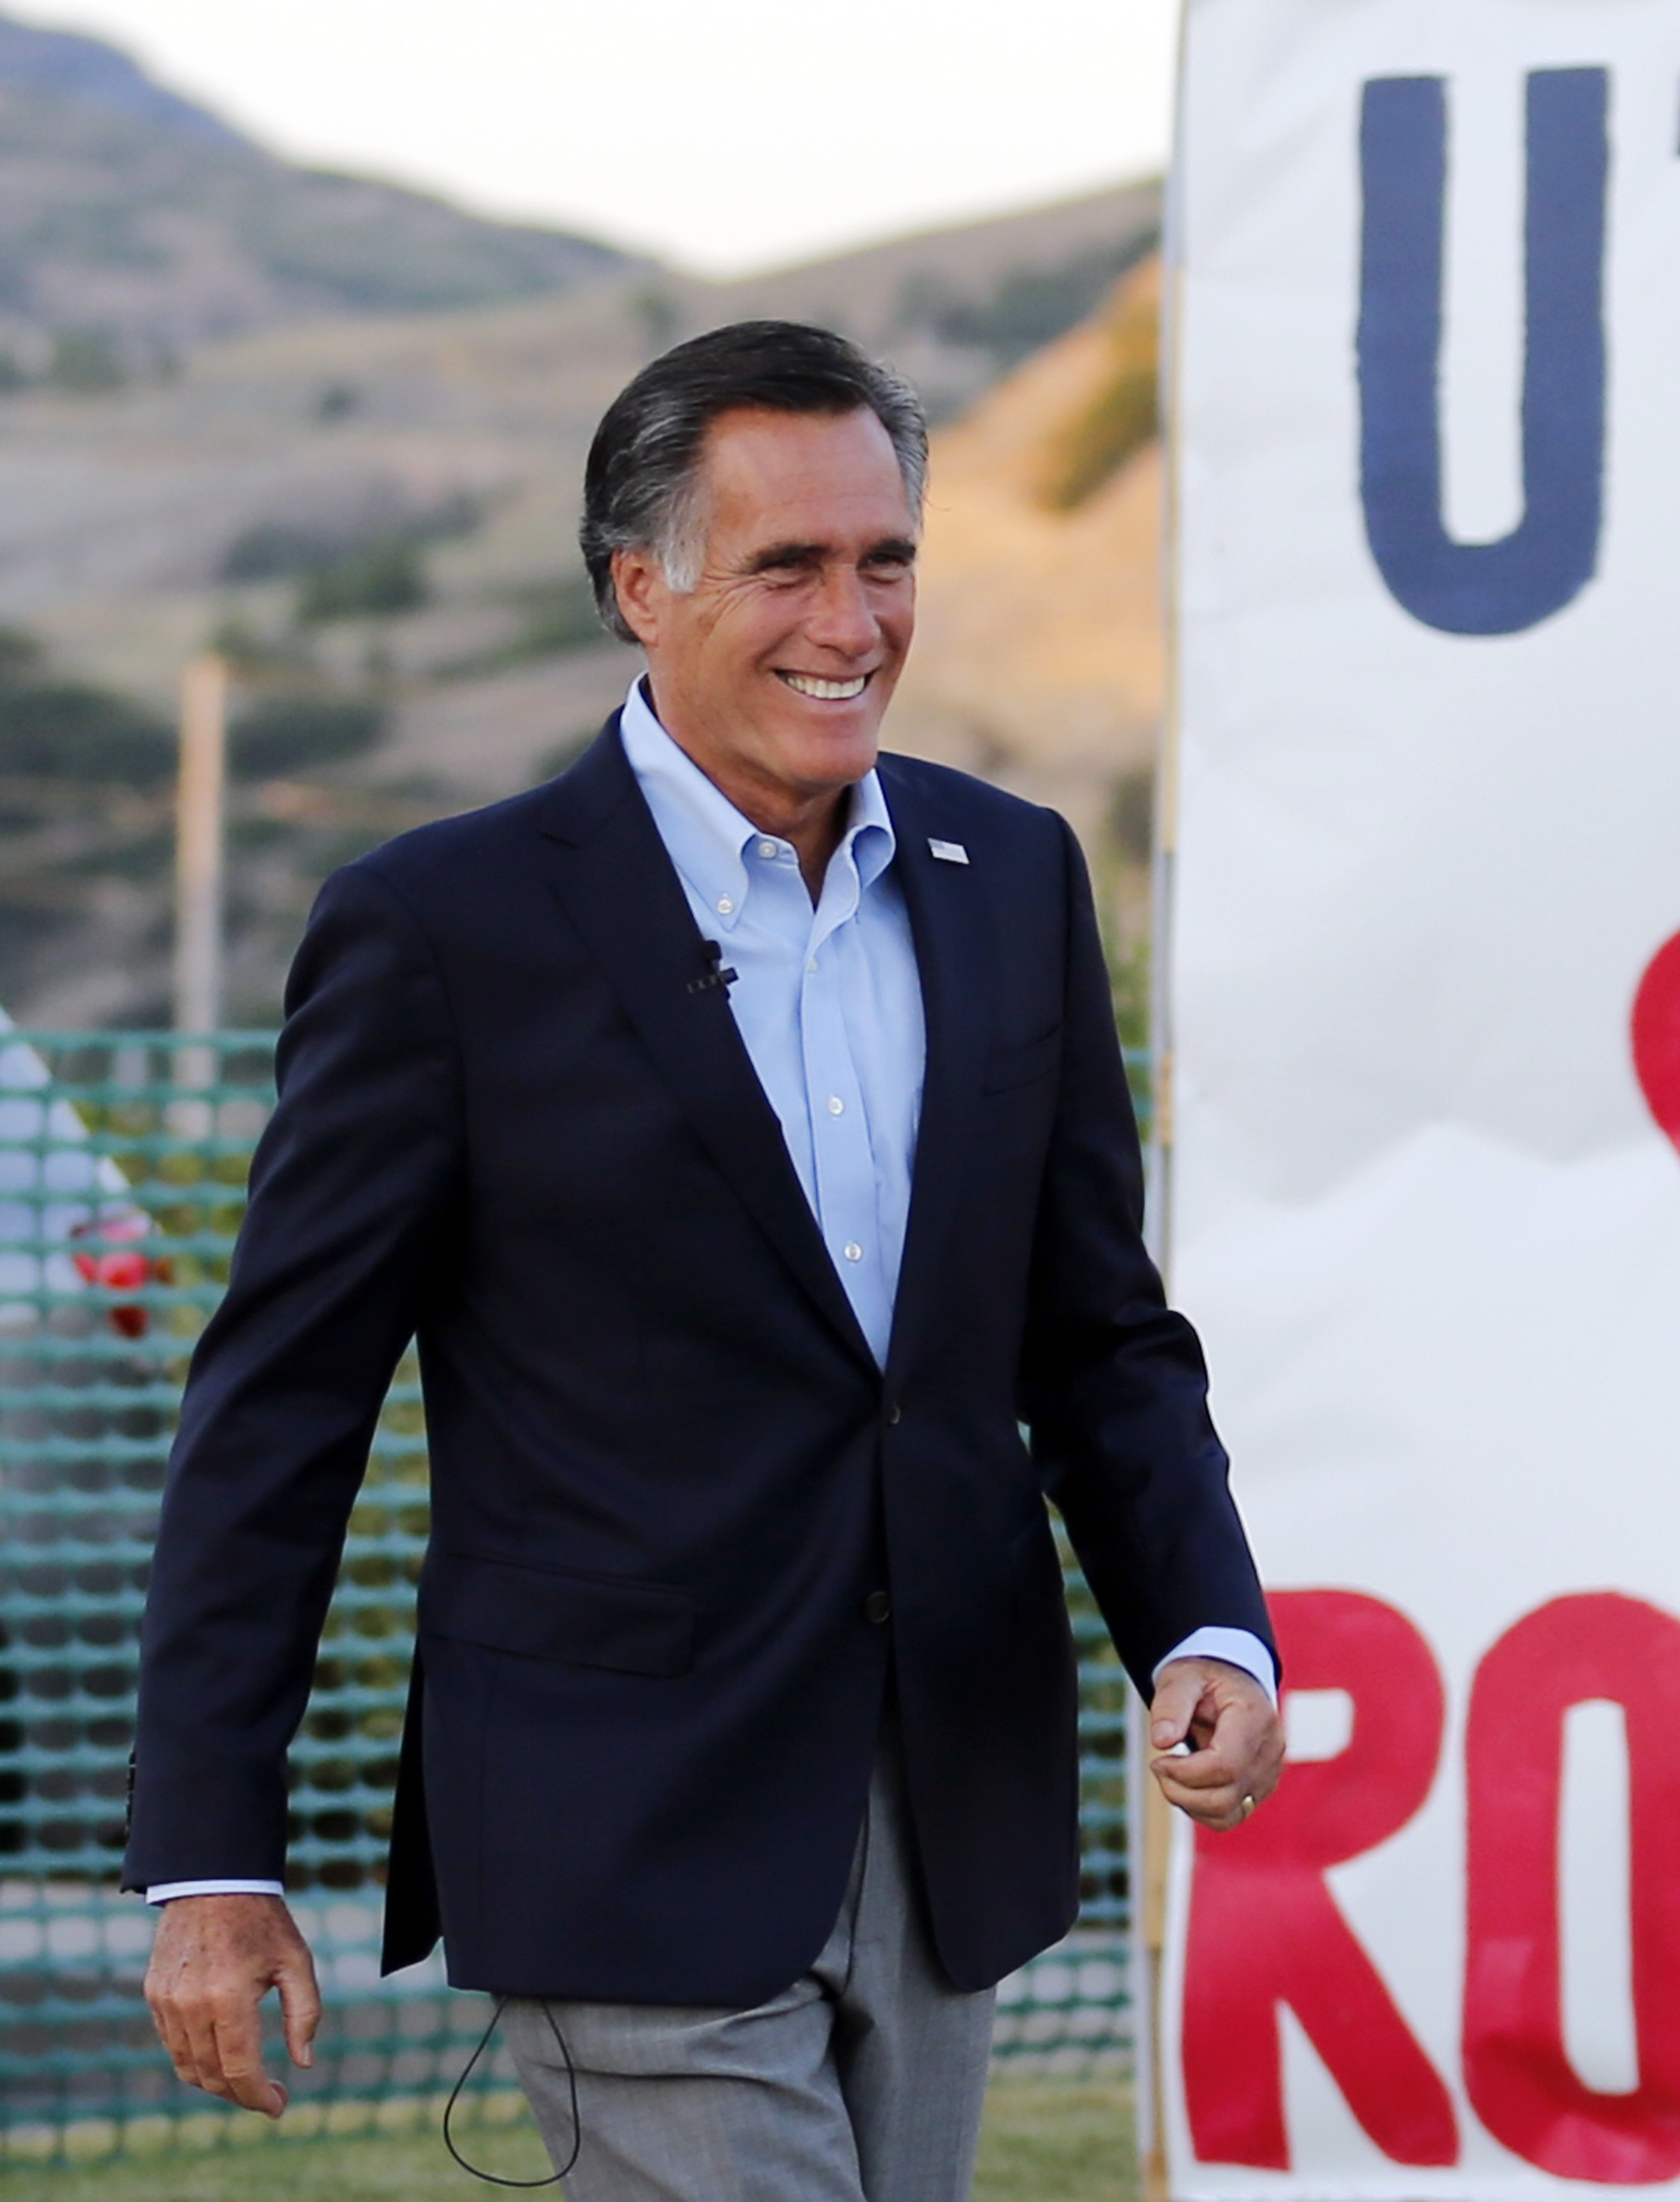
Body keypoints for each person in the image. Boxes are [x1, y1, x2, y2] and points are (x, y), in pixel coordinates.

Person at [120, 320, 1281, 2202]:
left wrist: (1203, 1624)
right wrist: (211, 1858)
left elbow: (1099, 1340)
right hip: (620, 1823)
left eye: (887, 557)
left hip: (949, 1816)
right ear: (639, 588)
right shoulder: (439, 931)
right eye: (790, 566)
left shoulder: (1017, 883)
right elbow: (279, 1415)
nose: (855, 617)